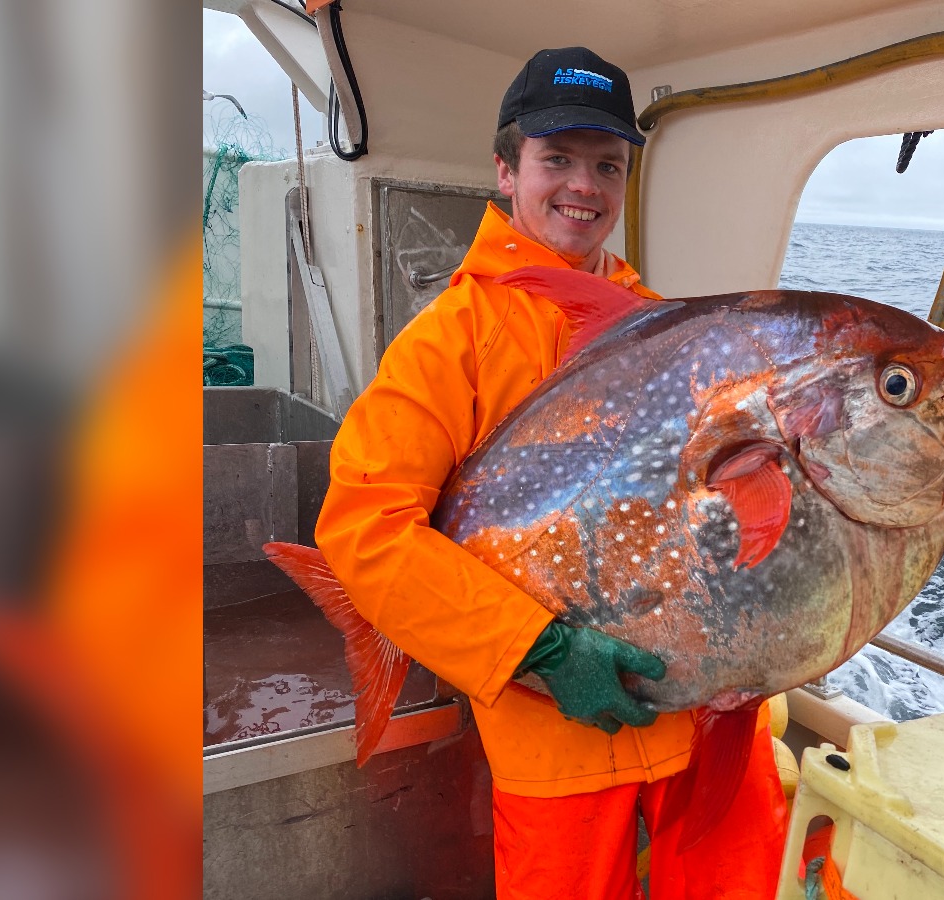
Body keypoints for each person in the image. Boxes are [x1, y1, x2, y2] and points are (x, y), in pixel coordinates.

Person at [313, 48, 787, 899]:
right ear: (505, 171)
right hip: (554, 741)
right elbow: (364, 529)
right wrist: (543, 648)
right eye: (556, 159)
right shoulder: (451, 336)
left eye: (608, 165)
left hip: (706, 718)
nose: (585, 185)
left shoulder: (660, 325)